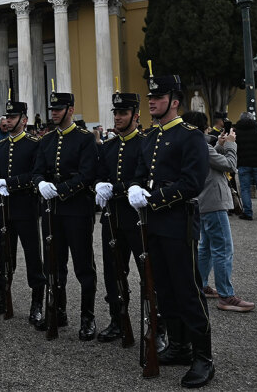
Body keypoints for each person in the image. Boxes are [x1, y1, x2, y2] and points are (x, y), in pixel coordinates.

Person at [128, 73, 213, 388]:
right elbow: (139, 172)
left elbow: (193, 182)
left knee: (188, 291)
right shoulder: (149, 137)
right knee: (163, 289)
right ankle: (179, 346)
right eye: (150, 97)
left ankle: (203, 357)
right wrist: (135, 188)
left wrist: (155, 197)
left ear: (174, 101)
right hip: (153, 225)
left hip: (178, 223)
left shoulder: (190, 136)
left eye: (158, 97)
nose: (151, 101)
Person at [35, 90, 99, 340]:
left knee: (84, 266)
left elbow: (87, 174)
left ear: (70, 110)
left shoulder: (84, 139)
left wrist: (59, 190)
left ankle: (87, 317)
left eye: (58, 110)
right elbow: (38, 170)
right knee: (53, 263)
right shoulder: (47, 140)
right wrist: (40, 183)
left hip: (76, 209)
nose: (54, 113)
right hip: (52, 210)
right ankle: (58, 310)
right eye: (52, 109)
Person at [182, 111, 255, 313]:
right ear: (201, 128)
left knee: (205, 247)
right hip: (213, 200)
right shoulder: (201, 146)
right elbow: (230, 165)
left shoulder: (188, 145)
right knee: (223, 248)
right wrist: (231, 144)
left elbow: (209, 161)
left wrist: (219, 146)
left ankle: (202, 284)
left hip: (201, 202)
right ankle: (226, 295)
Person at [0, 99, 44, 327]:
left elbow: (35, 174)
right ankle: (3, 297)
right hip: (4, 210)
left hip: (25, 209)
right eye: (7, 117)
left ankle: (37, 302)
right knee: (4, 254)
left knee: (32, 256)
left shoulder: (33, 144)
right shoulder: (0, 146)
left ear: (24, 120)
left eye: (12, 117)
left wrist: (8, 183)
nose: (8, 121)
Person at [93, 92, 145, 343]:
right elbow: (99, 174)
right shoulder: (109, 146)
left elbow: (144, 179)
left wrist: (116, 188)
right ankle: (117, 319)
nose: (118, 117)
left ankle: (156, 324)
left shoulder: (145, 143)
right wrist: (99, 185)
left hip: (138, 219)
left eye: (123, 113)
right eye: (115, 113)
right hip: (112, 218)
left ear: (136, 116)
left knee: (147, 272)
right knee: (113, 271)